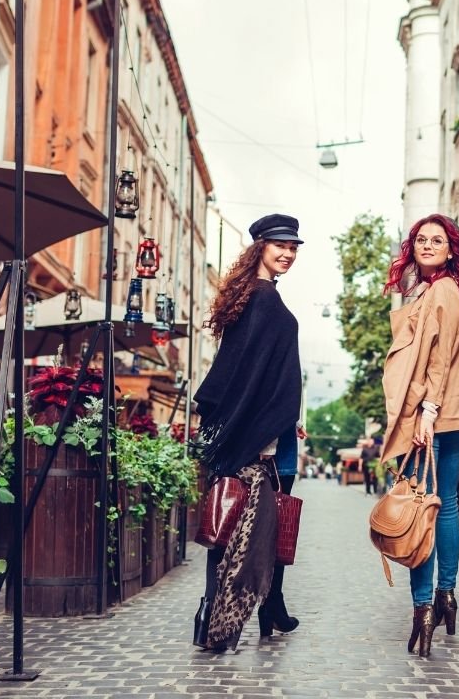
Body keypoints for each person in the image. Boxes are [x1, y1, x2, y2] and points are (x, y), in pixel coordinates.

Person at [191, 214, 304, 652]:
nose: (288, 254)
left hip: (251, 433)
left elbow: (239, 374)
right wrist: (263, 432)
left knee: (228, 526)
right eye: (280, 245)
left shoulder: (251, 297)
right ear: (259, 246)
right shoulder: (264, 302)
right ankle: (223, 623)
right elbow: (250, 377)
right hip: (258, 443)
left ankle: (212, 618)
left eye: (294, 248)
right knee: (248, 533)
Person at [380, 213, 459, 657]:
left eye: (436, 240)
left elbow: (439, 359)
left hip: (433, 413)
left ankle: (424, 607)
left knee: (423, 509)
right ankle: (446, 595)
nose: (426, 245)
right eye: (420, 239)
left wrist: (427, 411)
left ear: (450, 248)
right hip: (446, 412)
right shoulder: (434, 289)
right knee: (442, 509)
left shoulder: (442, 290)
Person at [258, 421, 306, 637]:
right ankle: (272, 604)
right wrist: (269, 445)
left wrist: (295, 422)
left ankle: (271, 605)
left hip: (273, 448)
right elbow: (279, 393)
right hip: (275, 455)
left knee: (271, 532)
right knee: (277, 533)